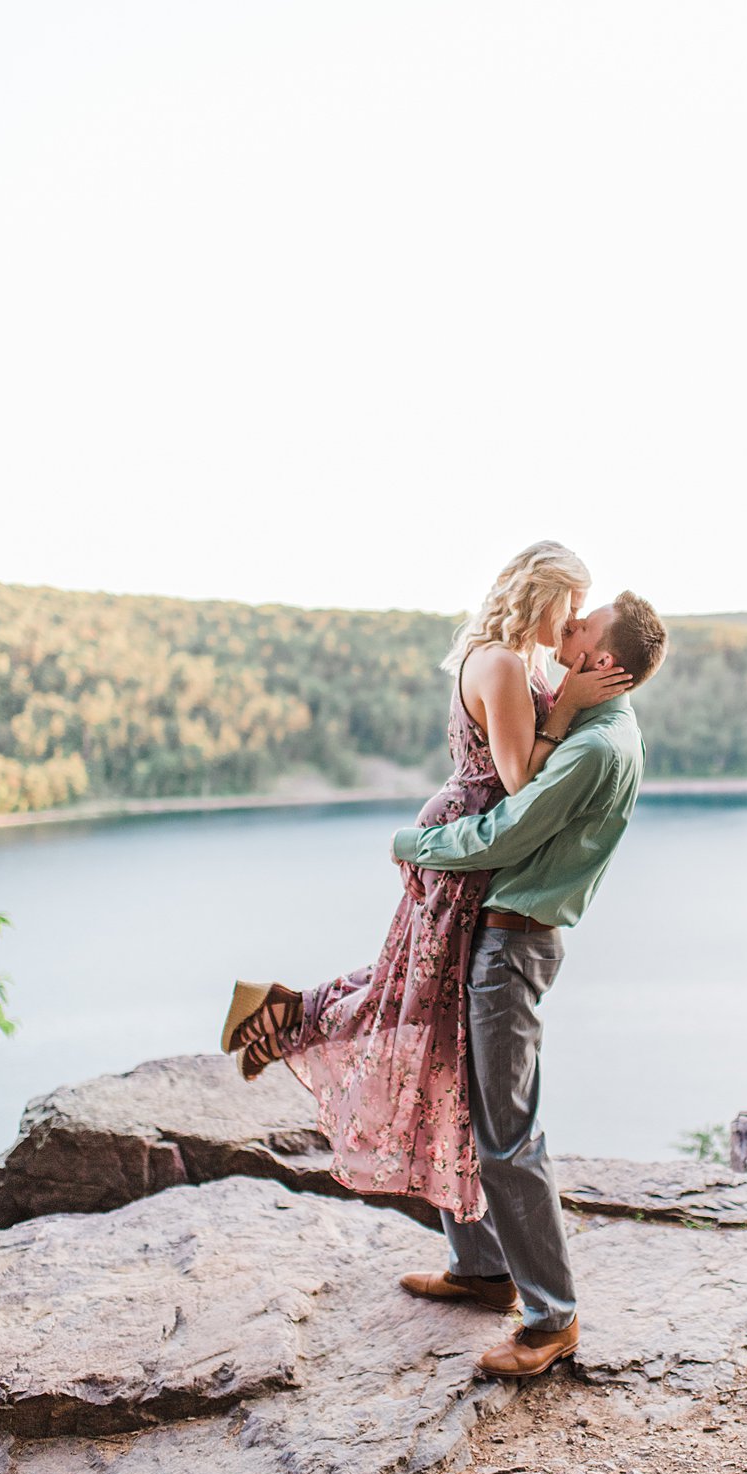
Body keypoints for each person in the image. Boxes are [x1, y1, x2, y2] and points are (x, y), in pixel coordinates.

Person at [219, 541, 630, 1227]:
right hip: (463, 852)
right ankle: (283, 1017)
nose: (574, 618)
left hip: (464, 848)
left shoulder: (508, 657)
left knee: (410, 987)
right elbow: (522, 780)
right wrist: (567, 710)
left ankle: (281, 1013)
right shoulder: (500, 664)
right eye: (573, 603)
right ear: (542, 592)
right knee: (414, 1001)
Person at [391, 590, 668, 1379]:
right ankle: (480, 1267)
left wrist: (416, 841)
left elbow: (507, 829)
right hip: (504, 939)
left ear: (601, 661)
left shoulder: (596, 748)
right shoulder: (589, 725)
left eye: (579, 627)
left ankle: (553, 1321)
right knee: (472, 1106)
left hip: (513, 947)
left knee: (510, 1133)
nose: (565, 631)